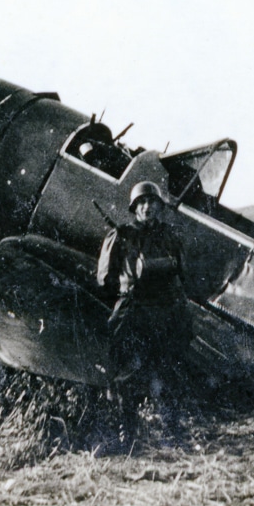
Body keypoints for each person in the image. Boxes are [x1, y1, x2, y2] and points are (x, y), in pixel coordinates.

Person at [96, 181, 191, 445]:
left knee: (169, 370)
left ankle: (171, 429)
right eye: (142, 203)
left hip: (165, 311)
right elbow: (105, 278)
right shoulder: (121, 234)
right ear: (135, 207)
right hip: (136, 310)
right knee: (129, 371)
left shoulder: (170, 236)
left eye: (152, 203)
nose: (148, 207)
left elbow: (182, 272)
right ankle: (127, 432)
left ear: (160, 207)